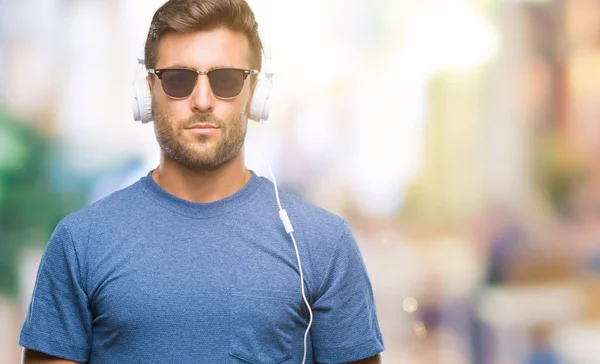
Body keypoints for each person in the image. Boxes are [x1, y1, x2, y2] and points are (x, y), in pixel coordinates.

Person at [19, 0, 385, 363]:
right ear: (148, 92)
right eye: (178, 79)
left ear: (255, 94)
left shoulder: (323, 244)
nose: (203, 100)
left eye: (226, 79)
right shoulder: (81, 242)